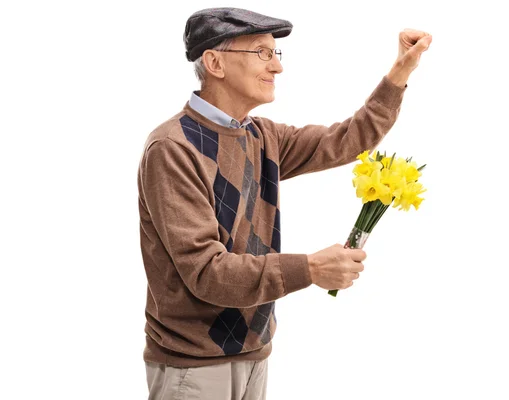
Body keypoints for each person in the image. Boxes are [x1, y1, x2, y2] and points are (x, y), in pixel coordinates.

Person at [137, 7, 432, 400]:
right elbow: (207, 272)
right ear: (214, 62)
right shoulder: (173, 149)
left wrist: (399, 74)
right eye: (262, 52)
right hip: (193, 366)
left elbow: (348, 139)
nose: (277, 66)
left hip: (255, 352)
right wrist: (309, 269)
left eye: (277, 53)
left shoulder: (262, 137)